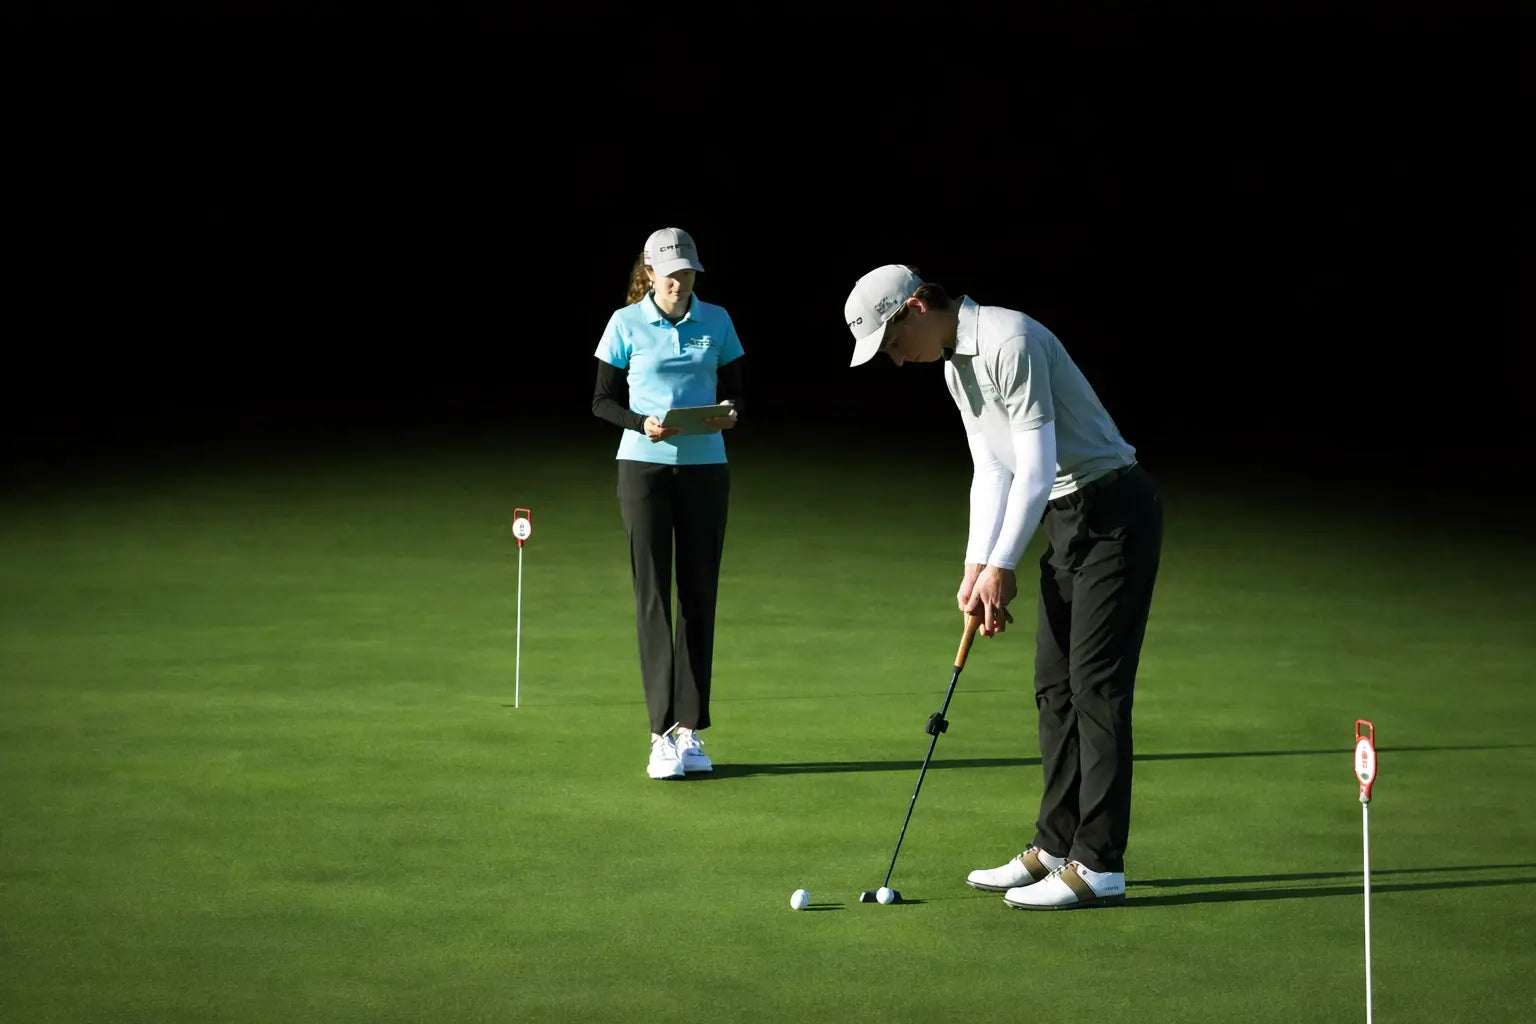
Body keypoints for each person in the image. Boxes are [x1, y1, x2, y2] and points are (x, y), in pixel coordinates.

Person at [843, 264, 1163, 909]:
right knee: (1054, 687)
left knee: (1095, 688)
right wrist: (977, 564)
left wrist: (1004, 565)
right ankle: (1056, 845)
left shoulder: (1008, 340)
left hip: (1114, 514)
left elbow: (1037, 467)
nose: (896, 360)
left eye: (893, 342)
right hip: (1067, 520)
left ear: (916, 307)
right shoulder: (953, 367)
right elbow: (991, 466)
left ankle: (1100, 864)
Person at [592, 227, 744, 780]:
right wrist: (642, 423)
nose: (680, 281)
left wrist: (730, 411)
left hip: (706, 469)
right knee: (654, 596)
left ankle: (690, 731)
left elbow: (735, 390)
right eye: (670, 273)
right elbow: (601, 401)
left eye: (687, 272)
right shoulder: (624, 322)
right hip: (643, 469)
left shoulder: (717, 320)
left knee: (699, 595)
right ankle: (660, 735)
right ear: (650, 272)